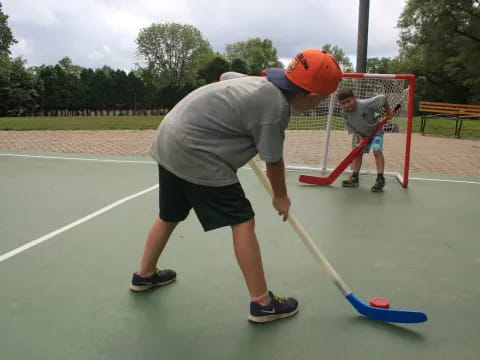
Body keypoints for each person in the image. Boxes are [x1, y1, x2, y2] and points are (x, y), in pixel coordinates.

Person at [129, 49, 342, 323]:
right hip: (197, 152)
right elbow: (273, 161)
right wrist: (281, 197)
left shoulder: (260, 81)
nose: (320, 104)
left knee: (169, 213)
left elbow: (225, 75)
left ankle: (144, 275)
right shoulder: (275, 109)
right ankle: (262, 304)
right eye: (322, 100)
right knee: (242, 220)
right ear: (310, 96)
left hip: (169, 140)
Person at [337, 87, 393, 192]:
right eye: (343, 103)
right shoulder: (344, 113)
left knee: (377, 151)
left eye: (348, 101)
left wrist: (388, 112)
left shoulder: (365, 104)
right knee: (357, 154)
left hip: (376, 132)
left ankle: (380, 178)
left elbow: (383, 98)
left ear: (354, 97)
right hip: (361, 135)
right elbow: (351, 127)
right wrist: (360, 137)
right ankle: (354, 178)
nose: (346, 105)